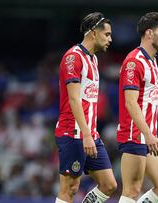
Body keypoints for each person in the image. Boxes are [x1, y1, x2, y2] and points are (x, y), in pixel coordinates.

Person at [54, 12, 117, 203]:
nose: (110, 39)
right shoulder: (73, 58)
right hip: (73, 132)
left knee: (109, 185)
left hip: (90, 134)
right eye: (107, 34)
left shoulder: (94, 59)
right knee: (69, 189)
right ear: (93, 33)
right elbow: (74, 100)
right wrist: (86, 134)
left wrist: (90, 134)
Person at [116, 12, 158, 203]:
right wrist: (147, 134)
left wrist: (150, 135)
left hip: (149, 136)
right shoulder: (134, 62)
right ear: (149, 33)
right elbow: (130, 102)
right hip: (135, 134)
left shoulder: (153, 61)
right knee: (132, 191)